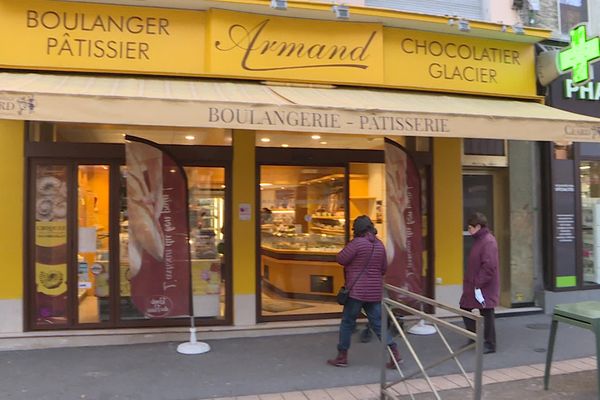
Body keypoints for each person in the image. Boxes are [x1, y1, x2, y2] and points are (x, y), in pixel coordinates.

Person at [327, 215, 402, 368]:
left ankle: (342, 357)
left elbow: (341, 258)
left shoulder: (357, 244)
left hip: (356, 291)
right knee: (378, 324)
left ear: (357, 229)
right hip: (374, 292)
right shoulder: (380, 245)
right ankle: (394, 353)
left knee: (348, 322)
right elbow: (383, 269)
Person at [460, 212, 500, 354]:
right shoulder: (481, 240)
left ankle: (490, 343)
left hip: (483, 286)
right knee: (466, 307)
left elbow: (489, 266)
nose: (469, 230)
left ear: (478, 226)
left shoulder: (488, 241)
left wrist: (478, 283)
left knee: (487, 311)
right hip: (476, 284)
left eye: (470, 227)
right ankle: (475, 338)